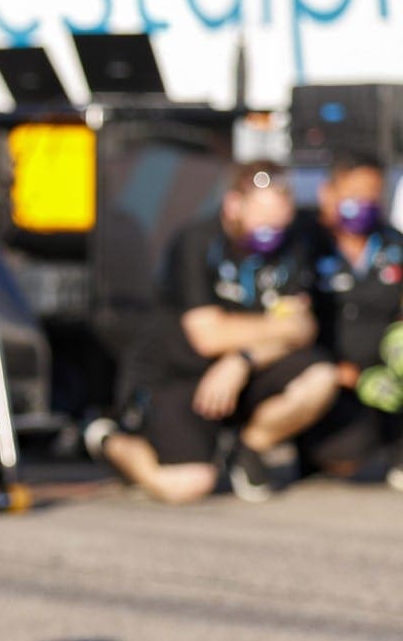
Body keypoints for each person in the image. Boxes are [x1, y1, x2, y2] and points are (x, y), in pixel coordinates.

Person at [87, 162, 337, 503]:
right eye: (263, 221)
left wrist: (243, 358)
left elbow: (302, 329)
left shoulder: (291, 248)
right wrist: (274, 329)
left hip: (240, 373)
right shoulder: (197, 242)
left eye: (279, 221)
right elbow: (207, 336)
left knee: (321, 377)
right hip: (178, 376)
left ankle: (248, 448)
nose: (272, 231)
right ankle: (108, 440)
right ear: (234, 205)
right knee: (188, 484)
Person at [292, 152, 403, 483]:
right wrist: (341, 372)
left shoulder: (393, 244)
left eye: (372, 194)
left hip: (385, 374)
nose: (364, 202)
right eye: (356, 193)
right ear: (329, 192)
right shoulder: (303, 243)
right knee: (345, 455)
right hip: (329, 374)